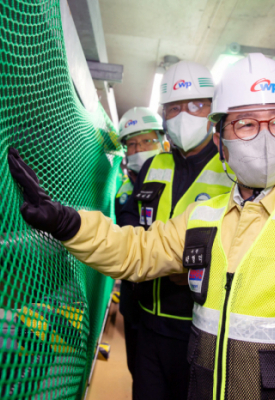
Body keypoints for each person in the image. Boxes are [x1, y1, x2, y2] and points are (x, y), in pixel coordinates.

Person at [8, 53, 275, 400]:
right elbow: (136, 251)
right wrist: (66, 222)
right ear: (222, 139)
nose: (264, 137)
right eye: (246, 124)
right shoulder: (206, 216)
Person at [115, 61, 234, 400]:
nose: (185, 115)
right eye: (175, 108)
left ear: (215, 110)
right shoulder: (156, 165)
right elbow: (135, 226)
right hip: (147, 319)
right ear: (164, 115)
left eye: (197, 105)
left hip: (199, 326)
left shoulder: (232, 169)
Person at [115, 106, 166, 393]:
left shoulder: (175, 181)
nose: (139, 149)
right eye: (132, 143)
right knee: (142, 373)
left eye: (147, 141)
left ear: (162, 142)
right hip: (135, 297)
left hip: (173, 301)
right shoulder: (124, 191)